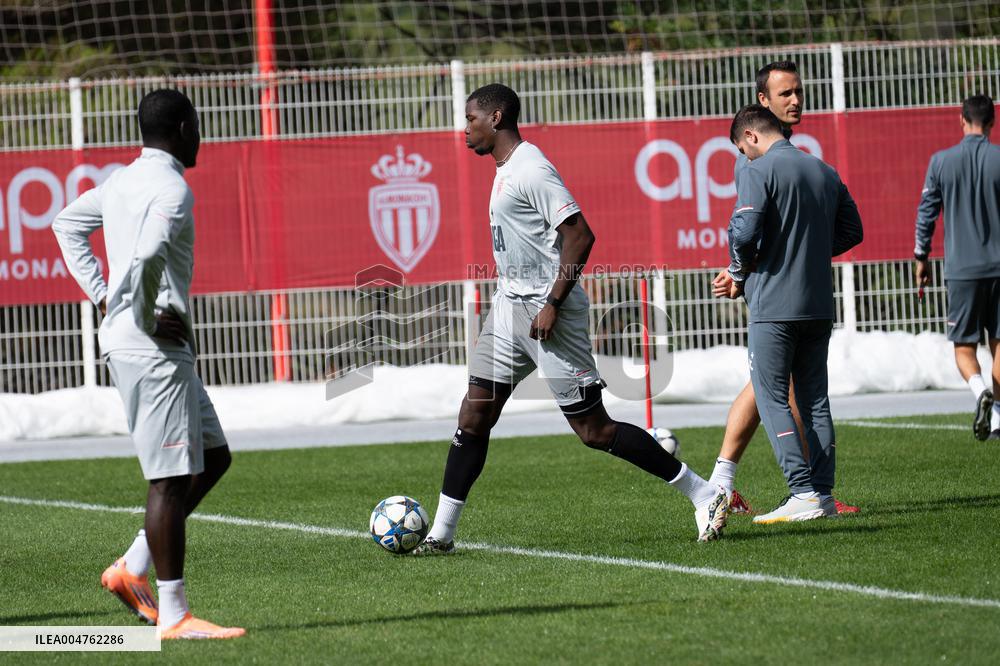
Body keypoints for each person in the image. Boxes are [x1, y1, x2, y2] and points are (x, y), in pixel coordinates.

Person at [415, 83, 728, 553]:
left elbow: (580, 235)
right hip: (507, 309)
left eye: (470, 119)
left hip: (548, 315)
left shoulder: (531, 168)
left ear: (496, 118)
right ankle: (441, 535)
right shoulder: (504, 169)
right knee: (473, 416)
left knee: (594, 431)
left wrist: (554, 302)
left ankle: (704, 493)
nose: (465, 130)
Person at [52, 89, 244, 639]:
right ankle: (175, 616)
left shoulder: (124, 179)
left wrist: (105, 297)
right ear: (184, 127)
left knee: (213, 457)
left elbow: (66, 224)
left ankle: (131, 568)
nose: (201, 135)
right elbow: (147, 255)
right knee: (167, 478)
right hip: (151, 345)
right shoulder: (171, 189)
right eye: (199, 125)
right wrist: (138, 312)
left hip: (149, 343)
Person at [709, 61, 860, 515]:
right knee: (812, 399)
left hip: (775, 301)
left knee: (770, 393)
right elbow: (852, 231)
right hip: (817, 302)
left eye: (798, 91)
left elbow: (745, 229)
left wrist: (739, 271)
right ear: (766, 106)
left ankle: (801, 493)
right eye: (786, 94)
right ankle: (823, 493)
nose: (795, 100)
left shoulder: (757, 167)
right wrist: (807, 252)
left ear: (750, 138)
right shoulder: (823, 168)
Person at [914, 94, 1000, 441]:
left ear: (962, 121)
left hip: (962, 270)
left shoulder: (941, 161)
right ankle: (996, 418)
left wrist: (922, 257)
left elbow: (926, 214)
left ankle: (980, 391)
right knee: (998, 343)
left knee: (964, 346)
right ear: (992, 123)